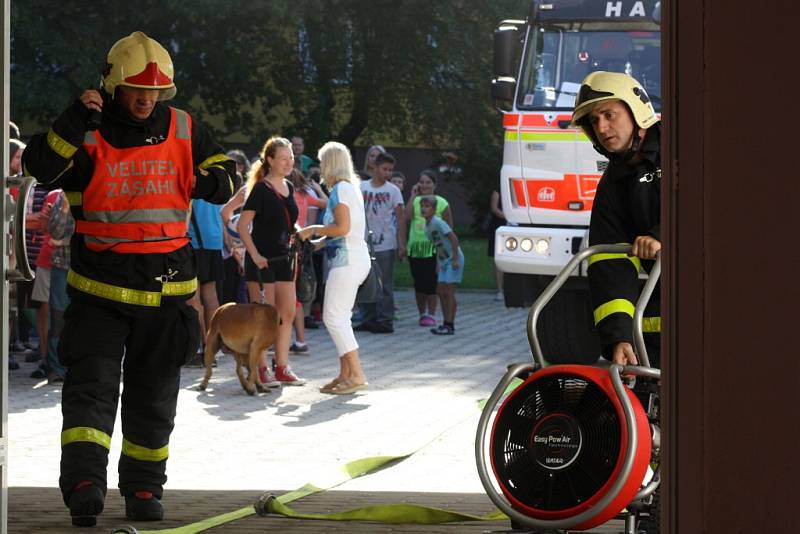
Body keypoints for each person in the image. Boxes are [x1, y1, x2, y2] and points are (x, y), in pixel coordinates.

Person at [21, 31, 235, 526]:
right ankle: (84, 485)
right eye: (137, 90)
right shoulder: (87, 130)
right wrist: (74, 118)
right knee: (90, 391)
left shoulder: (183, 126)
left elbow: (225, 171)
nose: (146, 100)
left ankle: (142, 490)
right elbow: (41, 167)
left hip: (166, 291)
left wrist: (207, 181)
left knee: (154, 396)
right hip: (100, 291)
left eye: (155, 92)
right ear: (112, 86)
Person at [570, 71, 661, 367]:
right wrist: (618, 338)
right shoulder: (612, 184)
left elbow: (716, 210)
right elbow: (609, 263)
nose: (602, 127)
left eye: (610, 114)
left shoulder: (686, 148)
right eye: (594, 121)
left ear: (638, 111)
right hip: (661, 327)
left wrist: (664, 235)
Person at [297, 141, 369, 394]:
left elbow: (342, 228)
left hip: (346, 260)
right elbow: (344, 230)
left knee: (333, 317)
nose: (320, 167)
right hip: (352, 257)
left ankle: (357, 373)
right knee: (342, 317)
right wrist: (317, 243)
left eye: (322, 161)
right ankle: (345, 374)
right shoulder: (350, 189)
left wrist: (313, 229)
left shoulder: (340, 189)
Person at [237, 136, 306, 387]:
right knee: (264, 317)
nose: (289, 162)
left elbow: (287, 221)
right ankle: (262, 368)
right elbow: (242, 225)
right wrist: (255, 255)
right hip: (262, 262)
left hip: (284, 259)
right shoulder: (260, 189)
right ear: (270, 160)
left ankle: (283, 367)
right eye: (284, 158)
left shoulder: (288, 185)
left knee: (286, 313)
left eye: (292, 158)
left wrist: (300, 232)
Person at [358, 151, 406, 333]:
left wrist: (402, 244)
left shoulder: (393, 191)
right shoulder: (362, 187)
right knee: (366, 282)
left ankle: (385, 320)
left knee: (384, 283)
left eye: (390, 170)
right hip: (364, 242)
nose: (388, 173)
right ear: (374, 167)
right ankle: (368, 319)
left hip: (385, 243)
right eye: (385, 169)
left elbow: (401, 219)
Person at [405, 170, 453, 327]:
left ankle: (431, 314)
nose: (424, 185)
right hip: (415, 248)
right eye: (422, 182)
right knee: (418, 283)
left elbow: (449, 227)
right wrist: (413, 195)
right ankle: (421, 313)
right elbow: (407, 217)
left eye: (428, 182)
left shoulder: (442, 202)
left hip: (434, 249)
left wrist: (447, 252)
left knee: (432, 283)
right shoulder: (416, 201)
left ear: (435, 184)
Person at [185, 197, 225, 366]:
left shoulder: (193, 181)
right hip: (214, 240)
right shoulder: (216, 177)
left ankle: (197, 349)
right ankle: (212, 349)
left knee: (193, 295)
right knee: (210, 294)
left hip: (195, 241)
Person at [420, 196, 464, 335]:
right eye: (422, 206)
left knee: (449, 292)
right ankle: (445, 322)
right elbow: (438, 246)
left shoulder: (438, 222)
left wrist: (455, 258)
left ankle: (449, 325)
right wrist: (438, 263)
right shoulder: (427, 227)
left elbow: (453, 238)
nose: (423, 209)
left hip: (454, 260)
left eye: (427, 206)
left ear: (434, 209)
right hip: (444, 262)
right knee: (440, 292)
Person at [486, 189, 506, 301]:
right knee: (498, 259)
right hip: (499, 227)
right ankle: (499, 290)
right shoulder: (497, 191)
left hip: (513, 227)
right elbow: (494, 208)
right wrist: (508, 217)